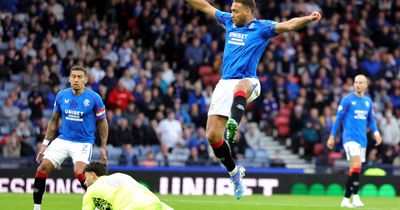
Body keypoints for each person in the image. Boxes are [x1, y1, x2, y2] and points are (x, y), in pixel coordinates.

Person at [185, 0, 321, 199]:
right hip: (225, 83)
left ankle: (234, 122)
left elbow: (289, 24)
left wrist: (308, 18)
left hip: (248, 81)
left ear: (248, 10)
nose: (231, 14)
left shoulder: (262, 27)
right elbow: (205, 6)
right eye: (231, 10)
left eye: (235, 11)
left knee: (242, 87)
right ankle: (234, 173)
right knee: (213, 137)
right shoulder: (229, 22)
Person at [33, 66, 109, 210]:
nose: (76, 79)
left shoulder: (94, 98)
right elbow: (53, 120)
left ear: (85, 80)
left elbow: (103, 122)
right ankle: (36, 208)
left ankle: (99, 205)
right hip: (63, 139)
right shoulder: (62, 95)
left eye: (80, 77)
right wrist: (45, 144)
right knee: (42, 168)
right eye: (73, 76)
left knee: (79, 171)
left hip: (83, 142)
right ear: (69, 78)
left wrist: (103, 147)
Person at [327, 74, 382, 208]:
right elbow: (338, 118)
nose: (357, 85)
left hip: (362, 139)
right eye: (356, 82)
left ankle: (346, 199)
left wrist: (377, 134)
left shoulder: (368, 102)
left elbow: (372, 121)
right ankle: (356, 197)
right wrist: (332, 136)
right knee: (356, 164)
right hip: (349, 138)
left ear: (366, 85)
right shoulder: (347, 100)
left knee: (355, 168)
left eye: (360, 82)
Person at [82, 162, 173, 210]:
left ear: (93, 175)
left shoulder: (91, 191)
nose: (85, 182)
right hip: (155, 203)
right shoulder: (120, 175)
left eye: (86, 177)